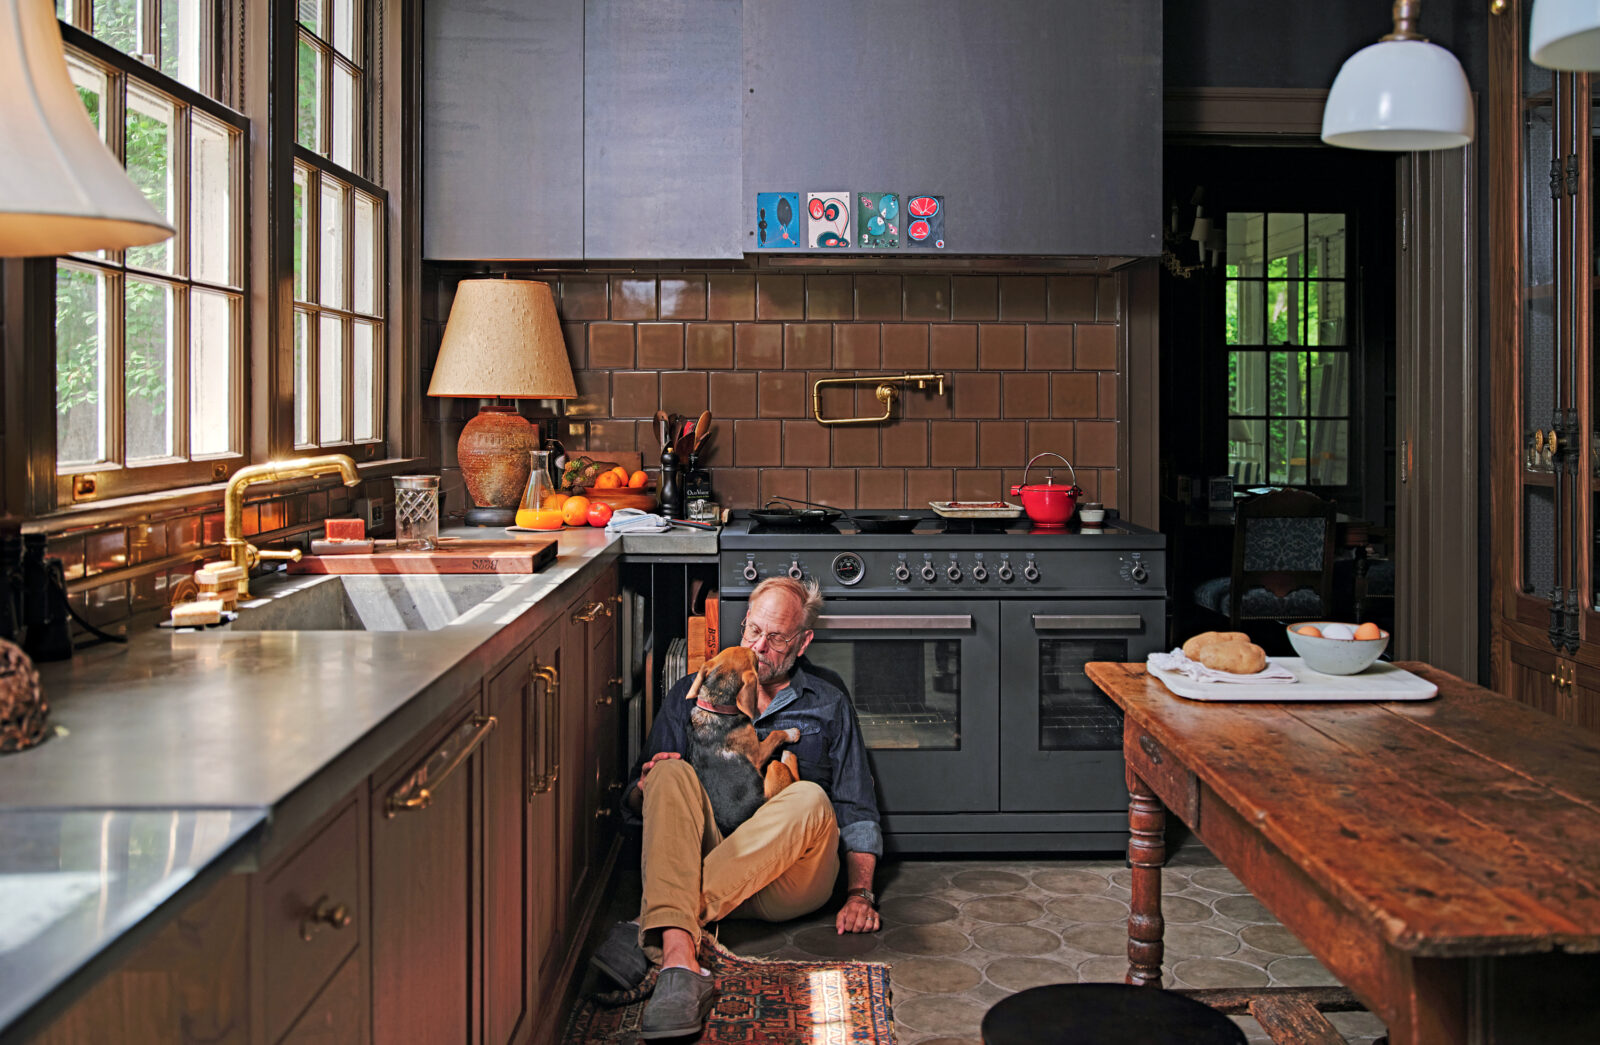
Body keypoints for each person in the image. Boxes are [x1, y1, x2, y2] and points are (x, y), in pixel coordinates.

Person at [589, 576, 883, 1039]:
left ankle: (654, 925)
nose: (759, 646)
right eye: (752, 631)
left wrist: (859, 893)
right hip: (707, 855)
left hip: (788, 878)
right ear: (742, 624)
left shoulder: (827, 700)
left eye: (776, 638)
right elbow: (635, 803)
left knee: (809, 796)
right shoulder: (691, 690)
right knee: (668, 771)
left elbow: (855, 804)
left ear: (803, 642)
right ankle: (680, 962)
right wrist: (643, 787)